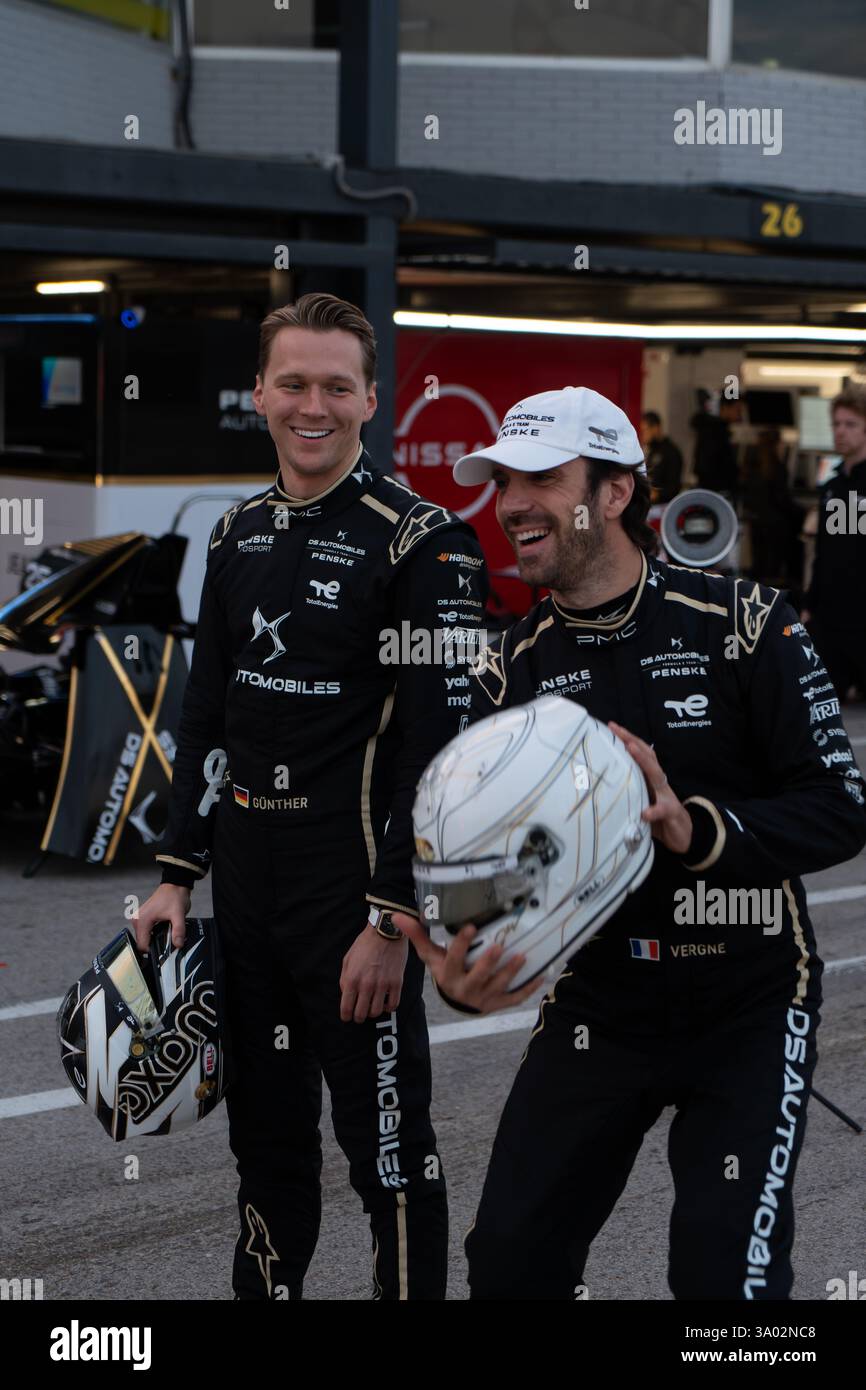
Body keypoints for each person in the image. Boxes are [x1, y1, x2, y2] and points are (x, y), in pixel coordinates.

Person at [396, 384, 866, 1301]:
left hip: (751, 994)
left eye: (541, 477)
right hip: (602, 1005)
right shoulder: (508, 666)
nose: (512, 502)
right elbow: (471, 856)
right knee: (508, 1263)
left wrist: (695, 830)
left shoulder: (746, 621)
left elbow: (841, 808)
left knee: (724, 1275)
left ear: (614, 492)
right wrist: (462, 958)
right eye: (501, 482)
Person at [133, 292, 488, 1300]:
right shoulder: (234, 532)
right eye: (292, 382)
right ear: (259, 394)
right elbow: (207, 712)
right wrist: (173, 873)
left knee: (385, 1151)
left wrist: (392, 911)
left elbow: (442, 749)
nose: (312, 404)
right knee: (266, 1146)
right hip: (245, 885)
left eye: (336, 384)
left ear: (370, 398)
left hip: (350, 893)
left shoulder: (426, 541)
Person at [801, 386, 866, 702]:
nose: (841, 432)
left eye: (850, 424)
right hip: (831, 621)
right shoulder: (833, 486)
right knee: (824, 705)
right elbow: (824, 554)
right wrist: (810, 606)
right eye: (837, 424)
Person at [690, 388, 740, 498]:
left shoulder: (717, 430)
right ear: (725, 407)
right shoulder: (715, 432)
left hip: (713, 491)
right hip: (714, 493)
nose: (739, 413)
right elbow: (708, 465)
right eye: (737, 409)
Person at [640, 410, 682, 503]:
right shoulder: (650, 451)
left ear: (655, 428)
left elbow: (674, 487)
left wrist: (657, 494)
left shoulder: (671, 452)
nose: (643, 435)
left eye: (645, 430)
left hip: (664, 507)